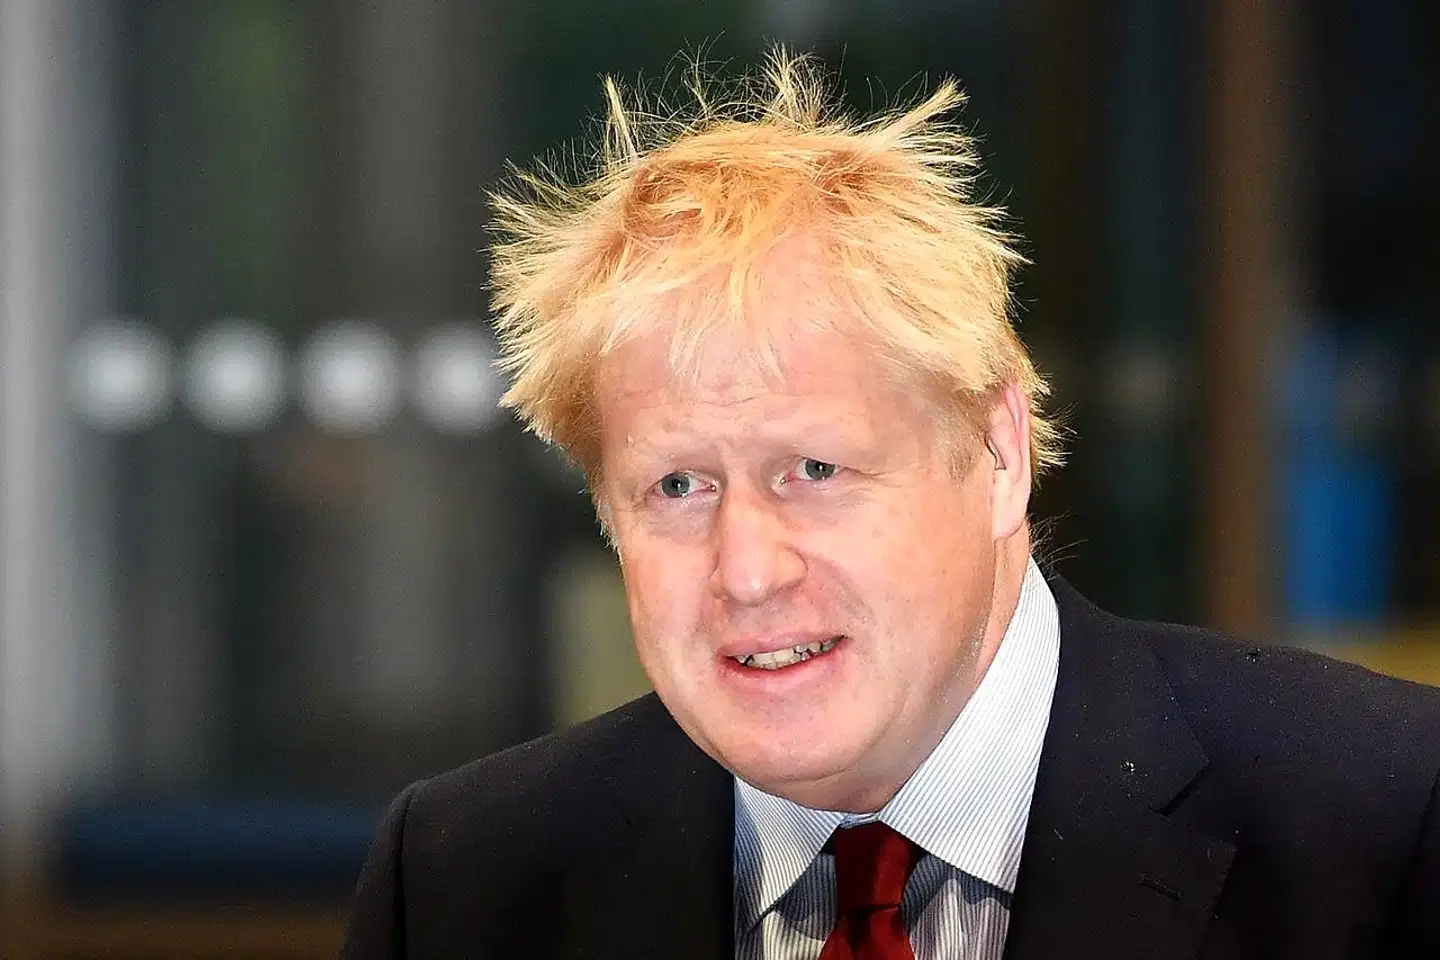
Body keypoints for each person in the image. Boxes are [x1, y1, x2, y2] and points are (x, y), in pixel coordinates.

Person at [339, 50, 1440, 959]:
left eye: (814, 471)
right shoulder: (461, 885)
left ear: (1000, 448)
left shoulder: (1382, 819)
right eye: (677, 486)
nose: (749, 570)